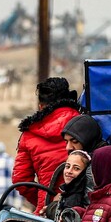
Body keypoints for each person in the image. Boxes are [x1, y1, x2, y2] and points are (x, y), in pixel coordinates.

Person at [12, 77, 82, 214]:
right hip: (82, 210)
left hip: (47, 212)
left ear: (41, 106)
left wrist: (44, 199)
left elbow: (20, 180)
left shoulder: (28, 134)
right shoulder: (85, 124)